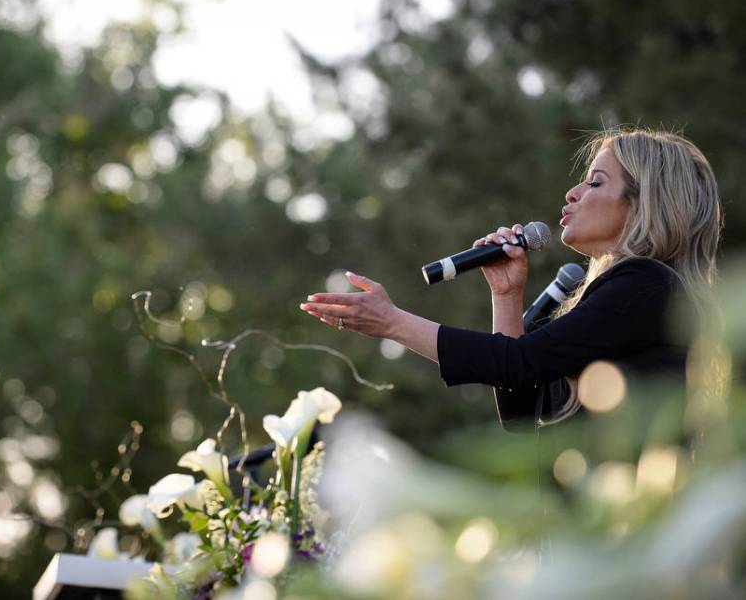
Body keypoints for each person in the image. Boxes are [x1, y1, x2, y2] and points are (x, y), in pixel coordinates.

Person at [298, 128, 723, 416]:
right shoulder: (633, 293)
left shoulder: (646, 286)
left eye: (594, 183)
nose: (571, 193)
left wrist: (393, 322)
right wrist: (506, 296)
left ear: (643, 204)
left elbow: (519, 363)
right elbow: (525, 412)